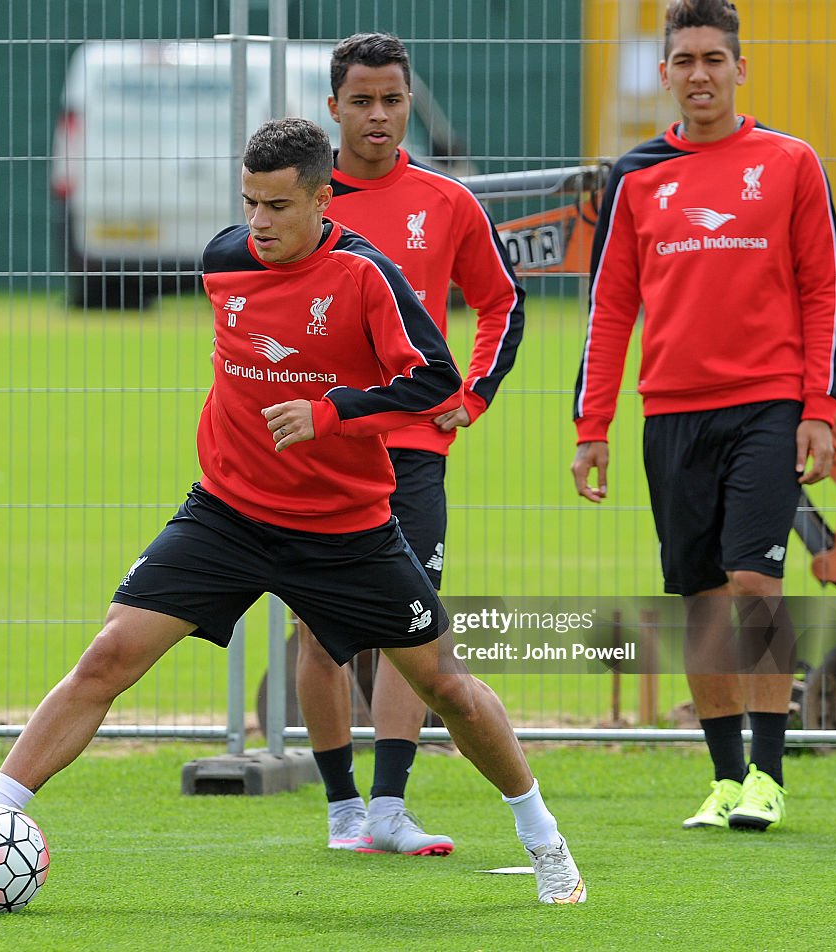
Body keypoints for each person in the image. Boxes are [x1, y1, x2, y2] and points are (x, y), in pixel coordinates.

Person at [0, 118, 585, 903]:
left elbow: (435, 379)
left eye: (278, 207)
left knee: (446, 688)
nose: (258, 223)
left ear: (325, 200)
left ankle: (545, 841)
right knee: (109, 655)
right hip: (225, 513)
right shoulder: (224, 258)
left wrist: (327, 413)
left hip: (343, 531)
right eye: (250, 202)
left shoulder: (367, 276)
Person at [572, 0, 836, 832]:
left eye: (714, 59)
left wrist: (821, 407)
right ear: (664, 75)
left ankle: (769, 773)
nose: (699, 74)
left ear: (740, 68)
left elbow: (822, 290)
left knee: (758, 584)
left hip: (767, 406)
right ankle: (725, 784)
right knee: (699, 596)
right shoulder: (637, 176)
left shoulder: (791, 162)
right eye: (684, 60)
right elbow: (610, 305)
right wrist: (593, 427)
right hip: (672, 415)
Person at [294, 32, 525, 857]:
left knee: (411, 624)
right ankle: (340, 811)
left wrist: (473, 396)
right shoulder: (302, 205)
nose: (380, 115)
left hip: (415, 448)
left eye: (393, 99)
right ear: (334, 110)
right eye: (362, 101)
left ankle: (389, 808)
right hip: (322, 448)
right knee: (316, 634)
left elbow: (503, 302)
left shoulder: (448, 202)